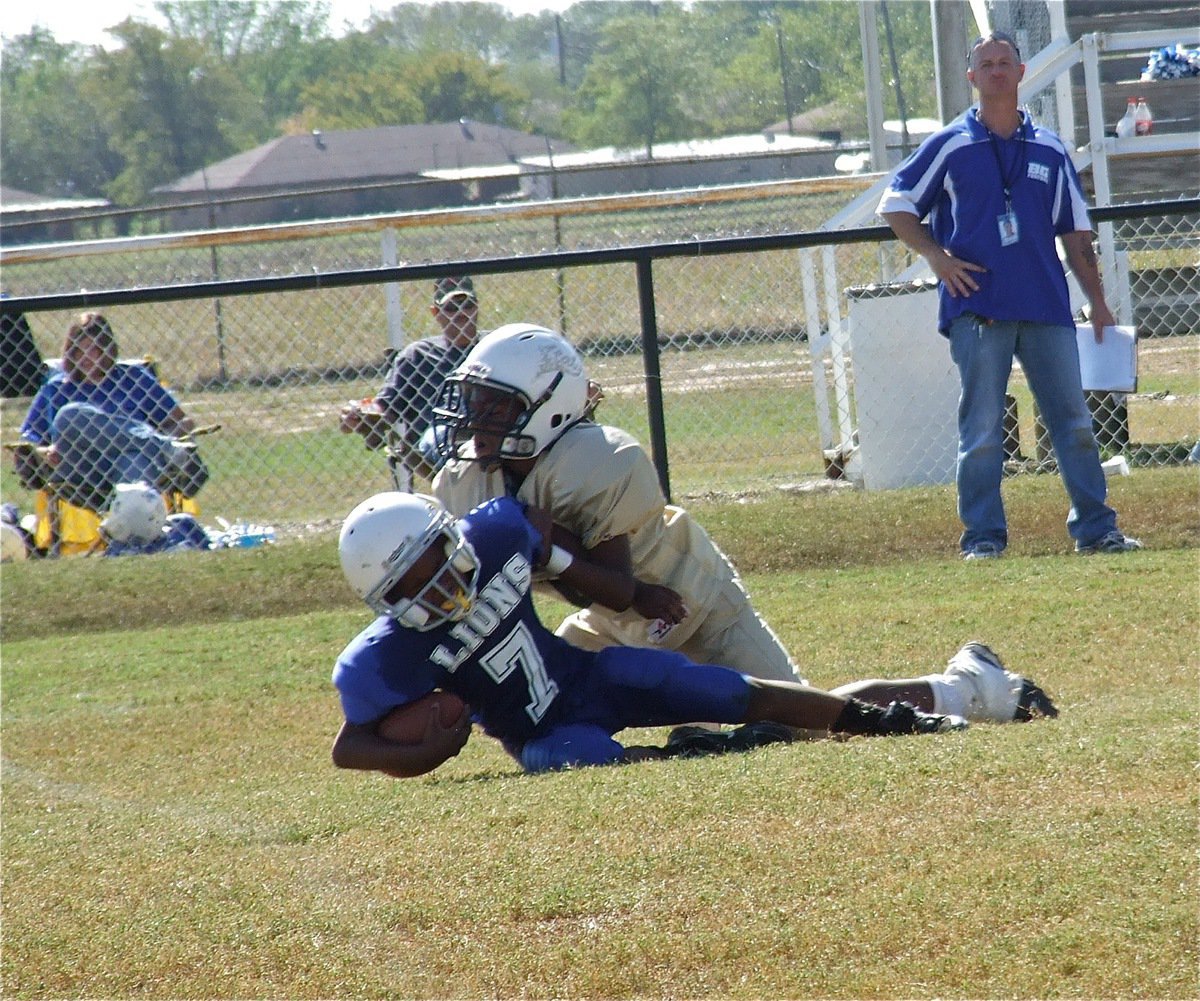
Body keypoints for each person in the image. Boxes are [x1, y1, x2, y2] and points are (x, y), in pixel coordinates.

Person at [330, 492, 1006, 778]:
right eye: (413, 587)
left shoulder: (497, 531)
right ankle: (720, 753)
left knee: (737, 690)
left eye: (440, 564)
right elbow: (347, 746)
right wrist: (422, 756)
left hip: (589, 673)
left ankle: (892, 723)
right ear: (381, 603)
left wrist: (570, 567)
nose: (441, 589)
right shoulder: (380, 659)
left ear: (452, 537)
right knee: (596, 761)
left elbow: (536, 531)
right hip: (537, 732)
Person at [878, 31, 1141, 559]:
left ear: (1022, 73)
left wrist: (1099, 302)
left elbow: (1075, 232)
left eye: (1006, 63)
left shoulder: (1049, 147)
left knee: (1074, 425)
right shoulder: (950, 145)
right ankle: (983, 539)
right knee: (981, 432)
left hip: (1046, 306)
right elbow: (895, 204)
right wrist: (938, 258)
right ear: (971, 77)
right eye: (986, 64)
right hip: (979, 310)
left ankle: (1097, 530)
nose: (997, 71)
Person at [431, 323, 809, 689]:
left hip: (699, 605)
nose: (473, 421)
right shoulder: (463, 481)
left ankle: (862, 707)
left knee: (803, 721)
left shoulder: (600, 459)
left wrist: (545, 548)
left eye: (493, 410)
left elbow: (618, 588)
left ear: (551, 407)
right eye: (472, 403)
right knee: (547, 703)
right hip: (610, 626)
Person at [13, 312, 207, 512]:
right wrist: (43, 452)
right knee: (70, 415)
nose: (87, 357)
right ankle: (166, 449)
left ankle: (130, 538)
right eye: (80, 350)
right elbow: (28, 441)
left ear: (107, 350)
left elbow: (183, 422)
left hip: (130, 460)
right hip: (81, 470)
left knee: (133, 460)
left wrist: (170, 434)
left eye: (95, 349)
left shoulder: (133, 379)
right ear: (71, 352)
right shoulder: (57, 388)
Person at [339, 276, 483, 486]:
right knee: (443, 437)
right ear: (436, 312)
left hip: (488, 431)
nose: (461, 313)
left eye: (467, 305)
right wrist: (356, 413)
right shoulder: (418, 355)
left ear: (477, 308)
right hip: (441, 441)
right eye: (451, 307)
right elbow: (382, 406)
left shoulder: (493, 345)